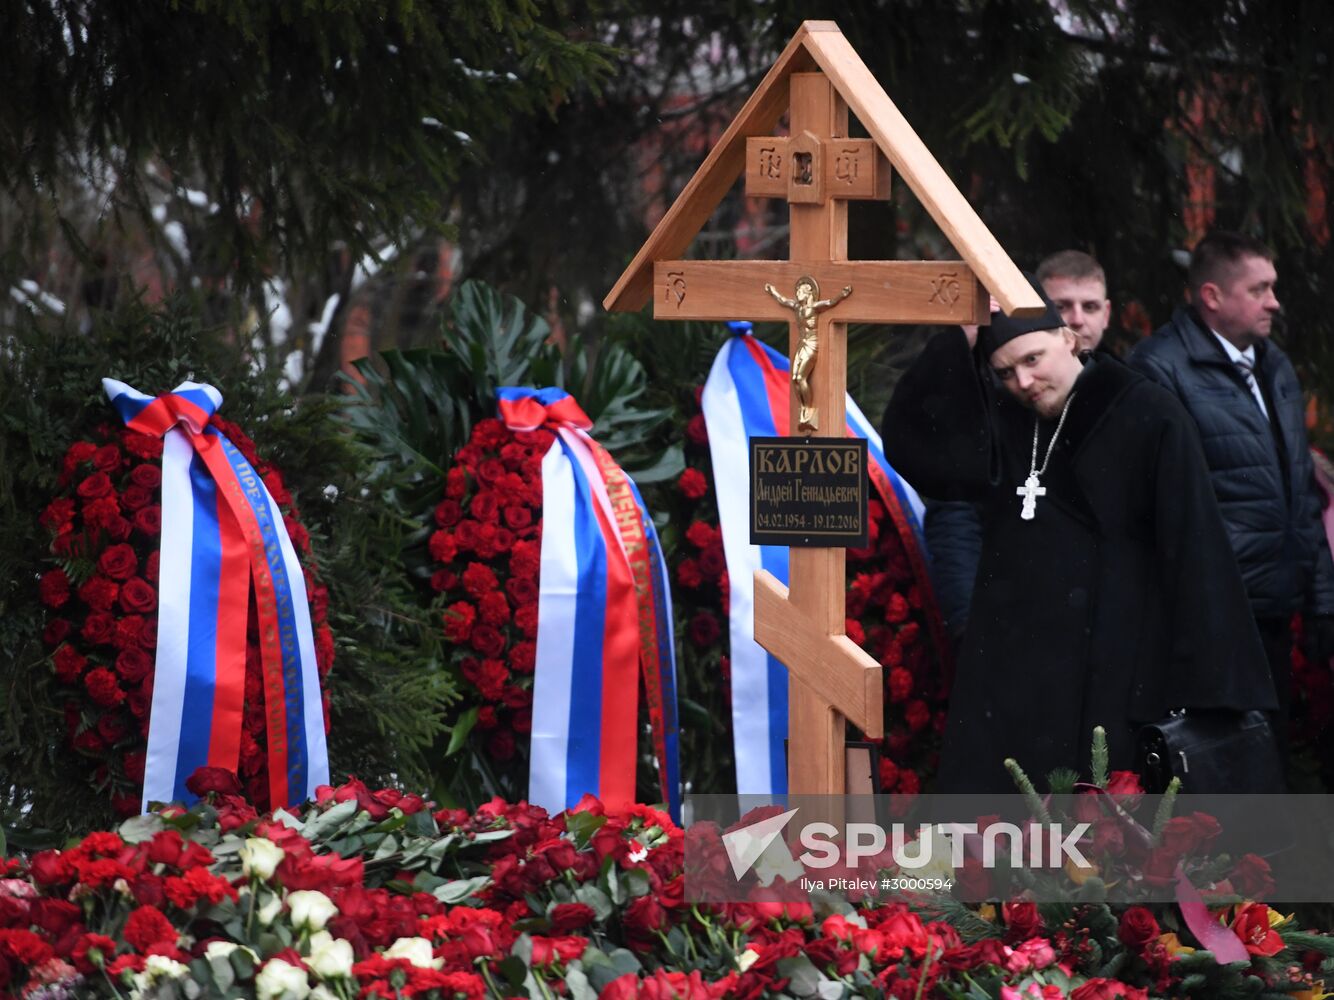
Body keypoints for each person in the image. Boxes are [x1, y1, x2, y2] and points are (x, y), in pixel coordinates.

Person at [882, 275, 1276, 792]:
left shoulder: (1144, 411)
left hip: (1111, 661)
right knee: (1003, 840)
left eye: (1033, 359)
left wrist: (1210, 688)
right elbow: (921, 451)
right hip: (1013, 669)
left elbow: (1194, 547)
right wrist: (960, 341)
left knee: (1101, 842)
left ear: (1069, 339)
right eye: (1005, 372)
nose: (1023, 381)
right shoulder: (1007, 418)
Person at [1128, 231, 1334, 764]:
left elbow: (1298, 492)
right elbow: (1160, 504)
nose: (1275, 301)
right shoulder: (1159, 368)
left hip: (1273, 603)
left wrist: (1321, 601)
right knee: (1219, 766)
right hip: (1214, 613)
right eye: (1260, 289)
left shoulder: (1274, 366)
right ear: (1212, 296)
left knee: (1271, 752)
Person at [924, 251, 1113, 639]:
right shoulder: (991, 411)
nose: (1077, 319)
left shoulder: (1130, 400)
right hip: (1013, 629)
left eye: (1090, 306)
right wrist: (968, 625)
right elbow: (956, 518)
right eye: (1062, 307)